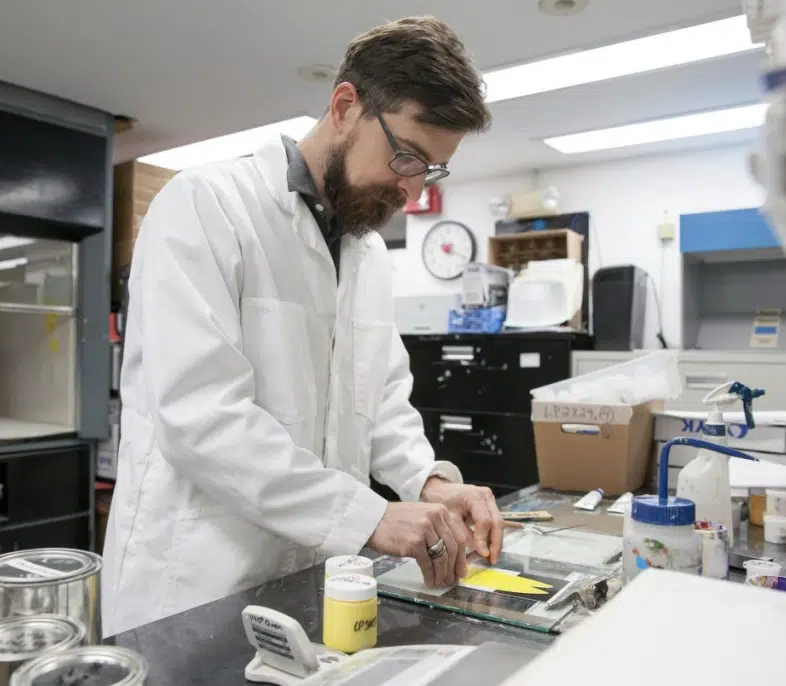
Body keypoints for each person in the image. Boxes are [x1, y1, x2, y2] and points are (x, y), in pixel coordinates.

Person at [103, 16, 501, 637]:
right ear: (345, 106)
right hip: (195, 584)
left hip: (313, 581)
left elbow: (382, 401)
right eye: (406, 157)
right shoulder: (206, 206)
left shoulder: (366, 251)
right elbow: (201, 416)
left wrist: (428, 482)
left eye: (432, 171)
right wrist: (370, 517)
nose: (414, 190)